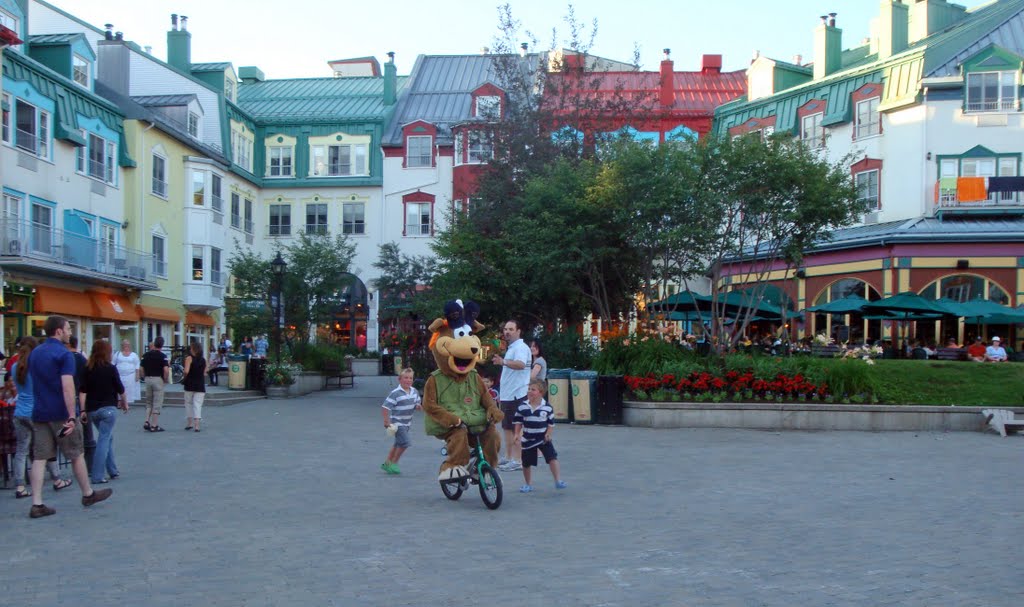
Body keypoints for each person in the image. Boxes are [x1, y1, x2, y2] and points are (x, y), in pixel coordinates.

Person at [27, 316, 112, 518]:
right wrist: (71, 416)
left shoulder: (35, 353)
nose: (70, 332)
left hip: (39, 412)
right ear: (58, 331)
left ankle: (37, 503)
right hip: (59, 413)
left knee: (39, 458)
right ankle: (87, 493)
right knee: (75, 453)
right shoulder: (63, 355)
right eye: (67, 329)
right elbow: (67, 387)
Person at [11, 337, 71, 499]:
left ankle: (20, 485)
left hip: (19, 412)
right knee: (46, 447)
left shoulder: (15, 367)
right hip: (36, 411)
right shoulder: (35, 368)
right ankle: (57, 478)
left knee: (21, 450)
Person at [79, 340, 128, 484]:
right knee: (103, 440)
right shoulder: (110, 368)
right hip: (108, 409)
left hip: (92, 410)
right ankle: (97, 475)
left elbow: (82, 391)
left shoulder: (87, 368)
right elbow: (120, 388)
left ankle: (112, 469)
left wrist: (82, 410)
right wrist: (124, 403)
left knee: (107, 437)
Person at [491, 319, 530, 472]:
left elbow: (520, 364)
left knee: (515, 429)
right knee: (507, 427)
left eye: (511, 329)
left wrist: (503, 362)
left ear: (518, 331)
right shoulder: (513, 347)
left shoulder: (520, 347)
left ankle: (517, 459)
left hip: (516, 395)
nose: (507, 332)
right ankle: (509, 457)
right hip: (508, 395)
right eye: (506, 329)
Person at [513, 379, 566, 493]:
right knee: (526, 463)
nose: (530, 391)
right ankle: (528, 484)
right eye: (529, 389)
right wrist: (517, 434)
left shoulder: (547, 407)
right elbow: (518, 422)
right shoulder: (522, 407)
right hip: (527, 438)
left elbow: (551, 424)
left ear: (541, 392)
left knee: (552, 458)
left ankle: (558, 480)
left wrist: (548, 433)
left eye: (533, 389)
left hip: (543, 439)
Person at [380, 367, 422, 474]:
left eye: (410, 378)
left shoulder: (414, 391)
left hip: (407, 423)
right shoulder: (395, 393)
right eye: (405, 378)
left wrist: (418, 407)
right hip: (397, 423)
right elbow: (385, 407)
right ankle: (394, 463)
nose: (408, 380)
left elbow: (417, 403)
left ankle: (387, 464)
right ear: (400, 379)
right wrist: (386, 421)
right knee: (405, 443)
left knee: (397, 444)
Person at [140, 336, 170, 432]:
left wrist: (144, 376)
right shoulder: (163, 356)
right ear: (162, 345)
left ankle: (146, 421)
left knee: (149, 401)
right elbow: (165, 370)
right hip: (158, 379)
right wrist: (165, 379)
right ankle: (154, 425)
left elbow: (141, 368)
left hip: (148, 378)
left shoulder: (146, 355)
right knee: (157, 402)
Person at [183, 341, 206, 432]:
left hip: (190, 383)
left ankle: (189, 423)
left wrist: (184, 377)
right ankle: (197, 425)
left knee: (188, 403)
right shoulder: (203, 360)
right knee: (198, 404)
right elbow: (205, 373)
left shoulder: (189, 358)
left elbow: (186, 371)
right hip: (200, 384)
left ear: (193, 349)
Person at [112, 340, 141, 405]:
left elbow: (137, 365)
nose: (126, 346)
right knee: (119, 387)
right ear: (122, 346)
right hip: (120, 375)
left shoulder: (134, 355)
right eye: (125, 345)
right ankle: (119, 401)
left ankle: (126, 402)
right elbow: (113, 364)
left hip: (130, 375)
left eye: (128, 345)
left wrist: (137, 375)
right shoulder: (117, 354)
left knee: (129, 389)